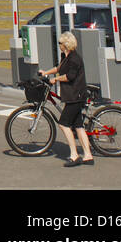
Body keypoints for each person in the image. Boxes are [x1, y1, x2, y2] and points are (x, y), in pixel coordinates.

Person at [42, 31, 93, 166]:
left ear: (66, 44)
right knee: (78, 126)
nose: (58, 45)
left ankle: (74, 155)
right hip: (72, 95)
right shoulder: (66, 57)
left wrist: (55, 80)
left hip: (75, 95)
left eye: (60, 43)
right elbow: (59, 68)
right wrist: (46, 72)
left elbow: (70, 76)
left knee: (63, 124)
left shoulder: (75, 58)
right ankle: (88, 156)